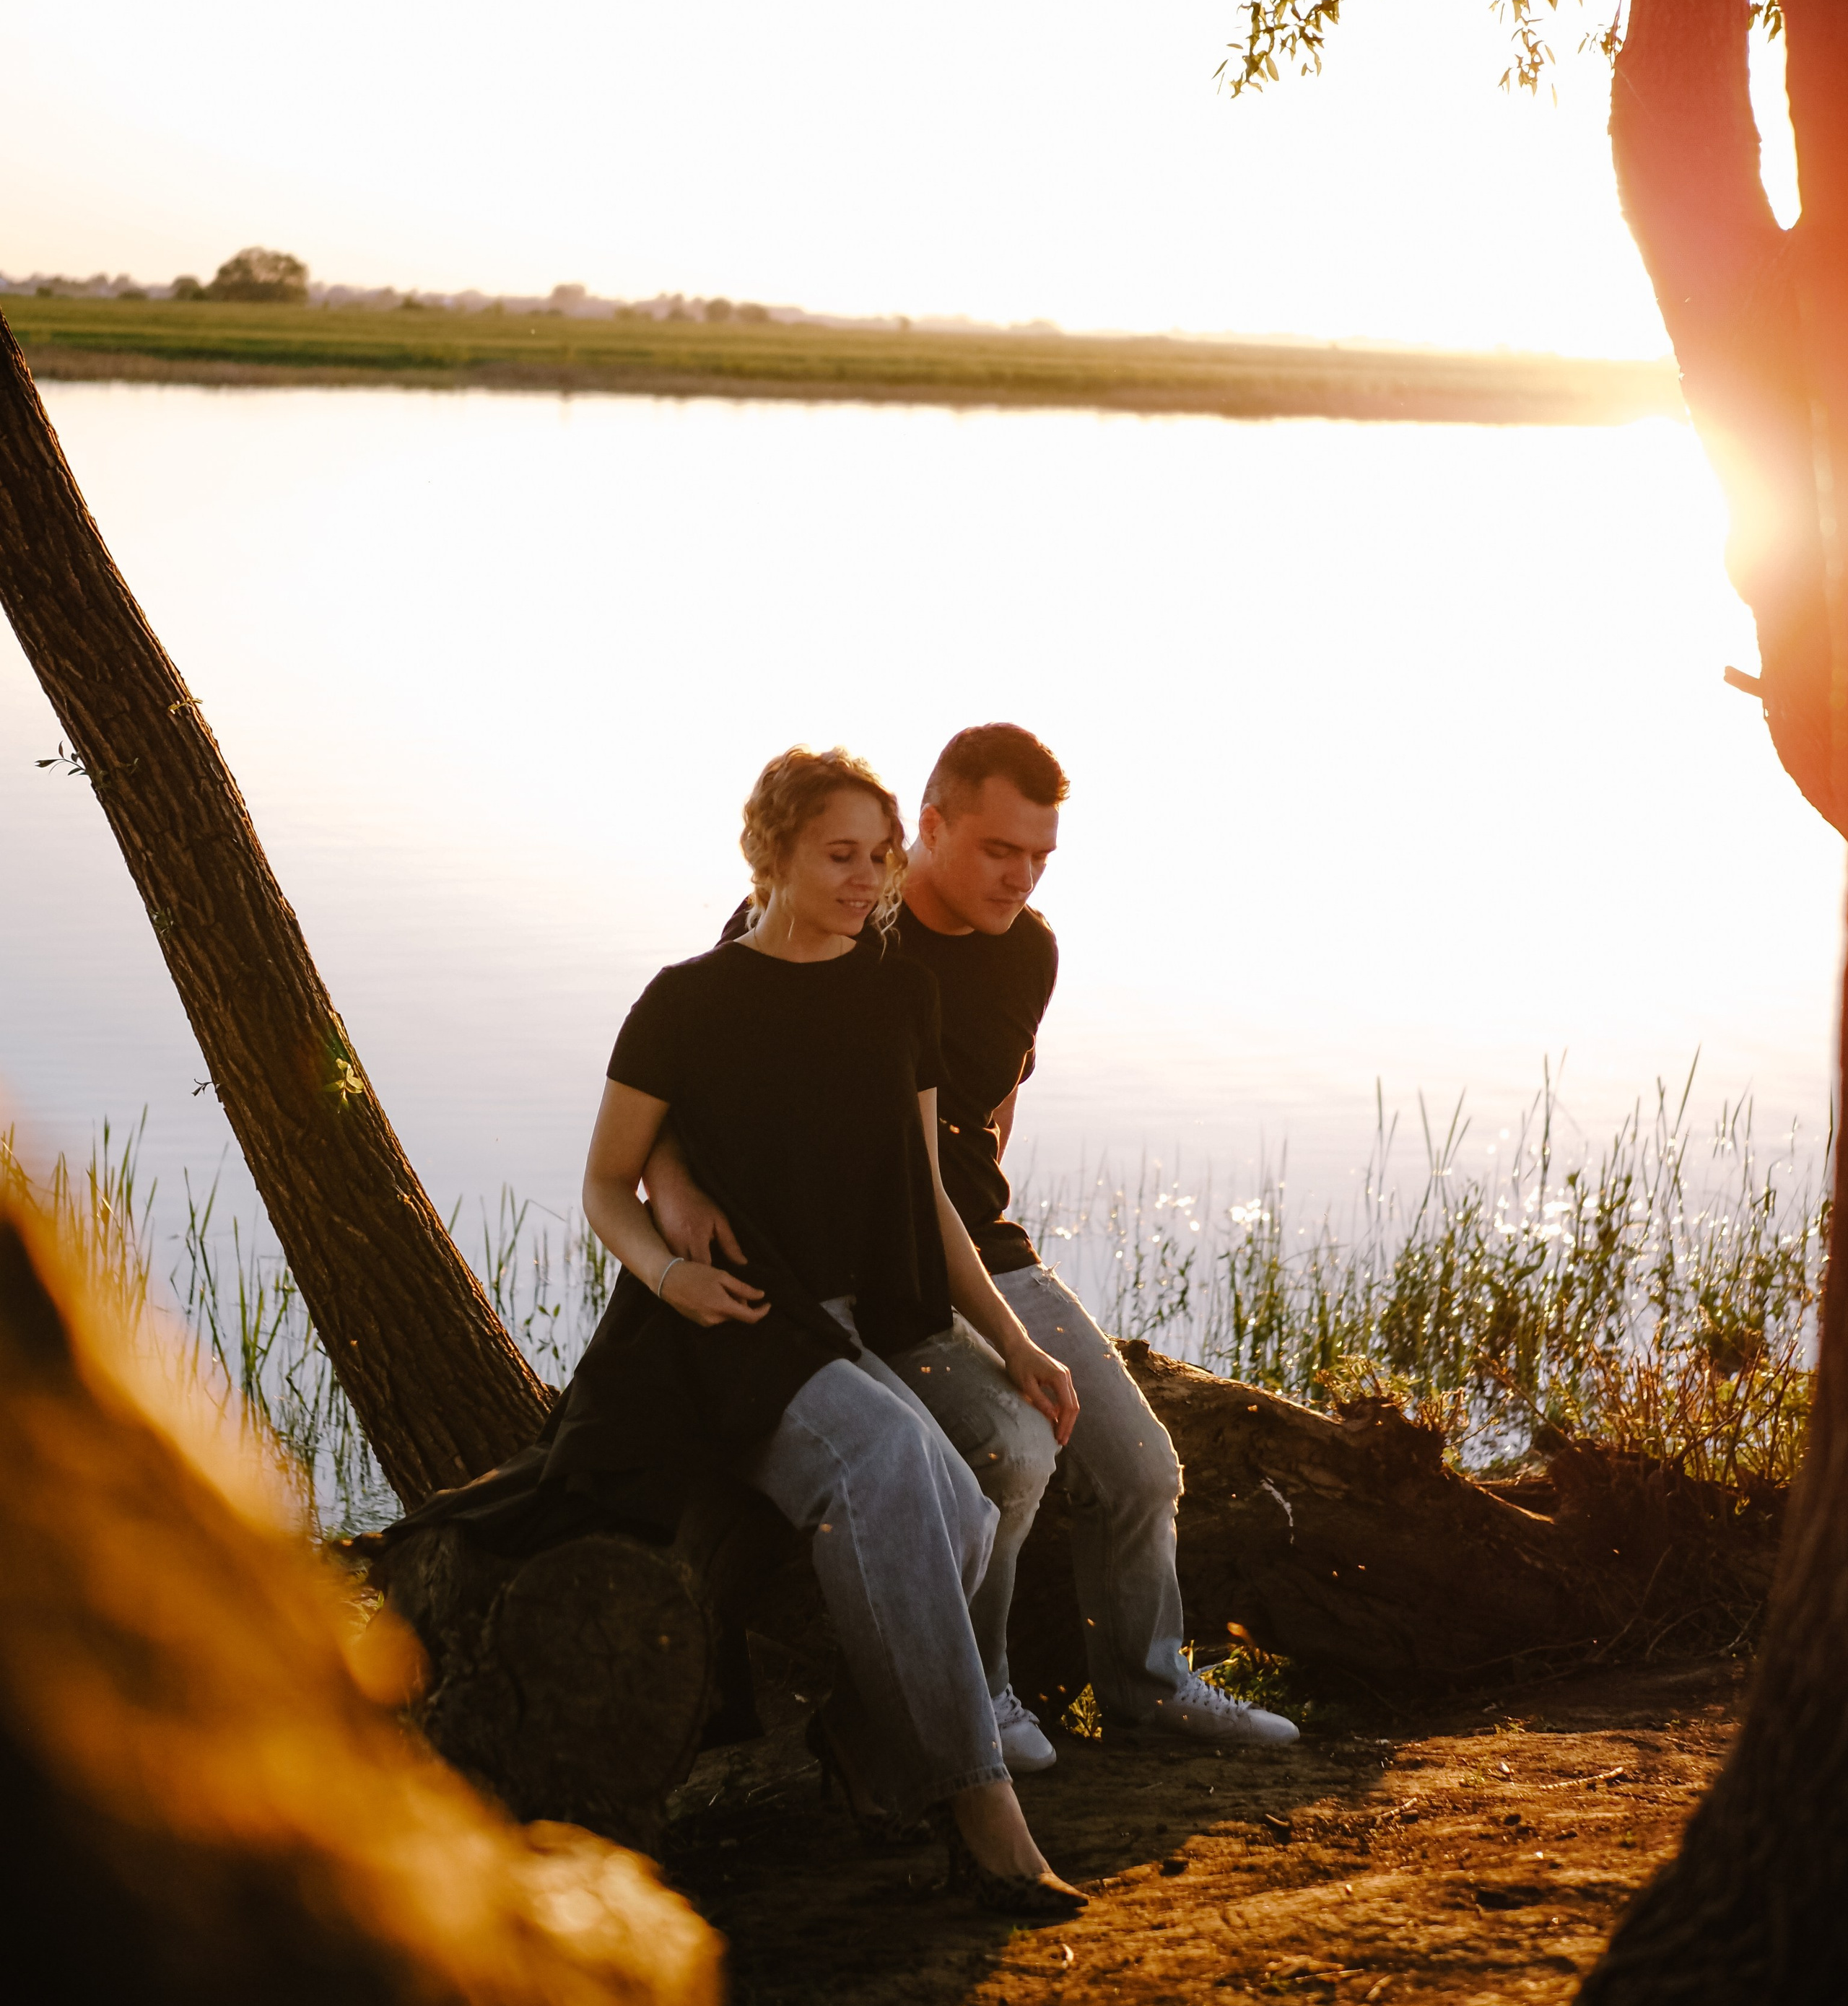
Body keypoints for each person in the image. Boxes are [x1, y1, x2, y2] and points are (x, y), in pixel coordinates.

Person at [398, 745, 1086, 1920]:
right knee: (881, 1464)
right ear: (769, 853)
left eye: (879, 856)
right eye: (839, 855)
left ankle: (873, 1751)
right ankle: (983, 1815)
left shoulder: (897, 992)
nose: (867, 879)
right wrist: (670, 1274)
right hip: (720, 1328)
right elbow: (609, 1182)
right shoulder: (687, 1002)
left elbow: (926, 1187)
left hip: (837, 1320)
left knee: (968, 1511)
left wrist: (1011, 1340)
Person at [648, 724, 1299, 1764]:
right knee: (1014, 1448)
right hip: (862, 1262)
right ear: (935, 825)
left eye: (1041, 855)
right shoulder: (842, 916)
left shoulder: (1029, 948)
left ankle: (1148, 1683)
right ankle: (981, 1693)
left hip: (978, 1244)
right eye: (1002, 849)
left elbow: (989, 1111)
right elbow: (691, 1073)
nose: (1023, 875)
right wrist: (673, 1191)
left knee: (1140, 1466)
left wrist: (994, 1266)